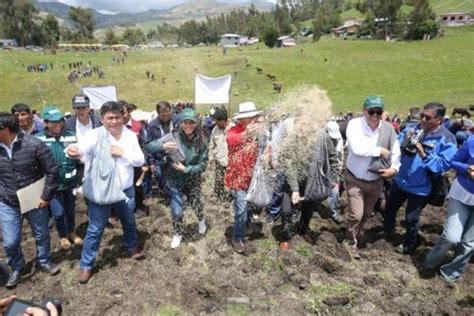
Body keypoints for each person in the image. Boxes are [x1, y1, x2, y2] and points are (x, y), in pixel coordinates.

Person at [66, 101, 145, 284]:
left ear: (123, 117)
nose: (114, 121)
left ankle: (131, 247)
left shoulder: (130, 136)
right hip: (100, 191)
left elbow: (140, 160)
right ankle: (86, 265)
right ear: (102, 119)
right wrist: (73, 150)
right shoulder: (95, 135)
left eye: (117, 117)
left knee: (129, 221)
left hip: (125, 190)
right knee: (95, 228)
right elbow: (81, 148)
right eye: (110, 118)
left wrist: (122, 152)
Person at [383, 102, 457, 254]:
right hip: (400, 180)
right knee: (390, 208)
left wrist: (423, 153)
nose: (422, 119)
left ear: (439, 120)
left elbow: (442, 166)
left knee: (411, 217)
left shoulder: (447, 139)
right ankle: (387, 230)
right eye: (422, 115)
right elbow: (396, 146)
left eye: (427, 117)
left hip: (421, 187)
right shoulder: (413, 128)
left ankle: (410, 242)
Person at [0, 113, 60, 289]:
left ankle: (44, 261)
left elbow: (52, 171)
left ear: (5, 129)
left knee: (41, 234)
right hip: (8, 202)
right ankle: (17, 267)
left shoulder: (34, 144)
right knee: (10, 241)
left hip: (35, 200)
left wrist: (45, 196)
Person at [344, 96, 400, 259]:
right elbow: (356, 148)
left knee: (366, 213)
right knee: (356, 213)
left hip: (376, 181)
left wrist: (394, 169)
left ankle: (356, 235)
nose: (375, 115)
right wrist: (379, 150)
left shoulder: (389, 129)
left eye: (378, 112)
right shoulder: (355, 124)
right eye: (371, 111)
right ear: (364, 111)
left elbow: (395, 151)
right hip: (355, 178)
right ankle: (349, 242)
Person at [146, 108, 208, 249]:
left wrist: (186, 169)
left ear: (196, 124)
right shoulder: (172, 136)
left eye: (191, 123)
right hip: (173, 179)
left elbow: (203, 165)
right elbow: (149, 147)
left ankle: (201, 220)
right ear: (180, 123)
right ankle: (178, 233)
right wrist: (161, 145)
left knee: (196, 203)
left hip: (192, 179)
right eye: (185, 122)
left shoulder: (202, 141)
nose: (188, 126)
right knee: (177, 210)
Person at [422, 136, 474, 282]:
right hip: (462, 193)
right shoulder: (471, 142)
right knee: (452, 236)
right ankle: (429, 262)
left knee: (469, 243)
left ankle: (450, 273)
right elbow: (453, 162)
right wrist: (467, 168)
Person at [36, 106, 82, 250]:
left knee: (70, 209)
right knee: (58, 212)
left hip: (69, 181)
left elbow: (80, 158)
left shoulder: (71, 135)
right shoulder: (38, 139)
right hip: (50, 184)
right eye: (54, 122)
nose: (58, 125)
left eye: (60, 121)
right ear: (45, 123)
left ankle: (71, 231)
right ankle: (62, 235)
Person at [225, 102, 263, 254]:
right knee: (240, 209)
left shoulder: (258, 132)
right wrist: (247, 133)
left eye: (253, 116)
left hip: (252, 177)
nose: (252, 119)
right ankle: (237, 238)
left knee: (248, 206)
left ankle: (246, 226)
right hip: (237, 178)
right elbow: (231, 141)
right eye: (249, 117)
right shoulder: (233, 131)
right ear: (242, 119)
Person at [145, 101, 180, 197]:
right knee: (160, 176)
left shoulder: (177, 120)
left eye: (168, 115)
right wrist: (151, 161)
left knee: (176, 176)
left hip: (176, 154)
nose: (165, 118)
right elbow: (148, 144)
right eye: (162, 116)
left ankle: (175, 195)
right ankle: (164, 191)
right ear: (158, 113)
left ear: (171, 112)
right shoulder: (152, 125)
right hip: (159, 157)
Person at [209, 108, 233, 201]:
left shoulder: (233, 128)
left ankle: (231, 198)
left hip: (231, 161)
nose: (216, 123)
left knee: (232, 182)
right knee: (218, 180)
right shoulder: (215, 129)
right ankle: (218, 197)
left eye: (218, 121)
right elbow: (212, 145)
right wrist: (211, 158)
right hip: (219, 160)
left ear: (224, 120)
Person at [325, 120, 344, 224]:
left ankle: (334, 213)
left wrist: (340, 165)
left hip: (333, 167)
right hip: (321, 168)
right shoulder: (321, 138)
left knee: (335, 191)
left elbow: (340, 154)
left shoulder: (339, 139)